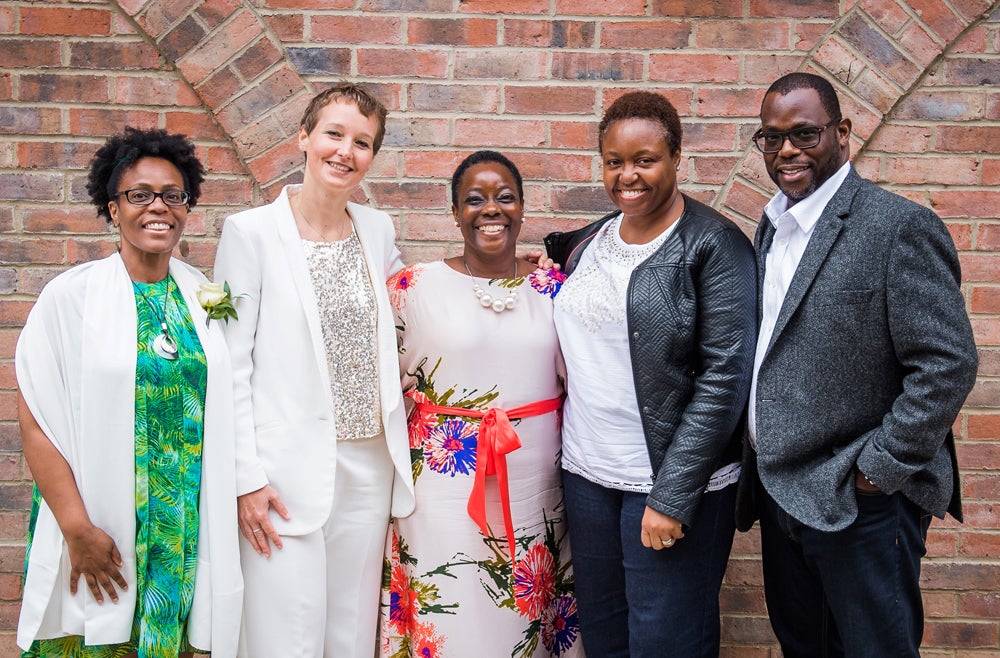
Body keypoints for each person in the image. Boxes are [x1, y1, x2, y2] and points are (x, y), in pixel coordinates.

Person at [735, 72, 979, 657]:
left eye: (804, 133)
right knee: (805, 649)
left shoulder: (897, 227)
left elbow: (947, 363)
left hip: (861, 502)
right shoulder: (772, 228)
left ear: (842, 132)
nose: (786, 150)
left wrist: (880, 469)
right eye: (771, 138)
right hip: (782, 496)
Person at [15, 127, 243, 657]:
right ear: (112, 209)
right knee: (89, 640)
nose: (157, 207)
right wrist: (76, 529)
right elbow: (37, 423)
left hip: (179, 526)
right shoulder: (70, 298)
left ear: (187, 208)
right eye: (139, 195)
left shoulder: (205, 298)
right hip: (99, 525)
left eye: (173, 195)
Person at [544, 91, 756, 656]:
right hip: (588, 473)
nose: (627, 175)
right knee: (606, 636)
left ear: (677, 157)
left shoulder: (714, 245)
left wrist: (673, 495)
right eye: (614, 161)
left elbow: (724, 380)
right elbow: (562, 276)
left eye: (645, 159)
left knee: (667, 641)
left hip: (664, 479)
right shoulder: (595, 239)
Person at [213, 82, 415, 657]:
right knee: (285, 636)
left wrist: (508, 271)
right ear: (304, 138)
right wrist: (245, 478)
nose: (345, 152)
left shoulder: (377, 231)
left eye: (363, 142)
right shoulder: (249, 233)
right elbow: (230, 364)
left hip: (368, 465)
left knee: (349, 635)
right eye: (334, 134)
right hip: (280, 476)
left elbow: (414, 307)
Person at [378, 150, 583, 657]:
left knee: (525, 611)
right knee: (450, 605)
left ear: (521, 208)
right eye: (475, 199)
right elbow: (382, 377)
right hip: (442, 491)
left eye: (505, 197)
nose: (491, 209)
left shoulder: (554, 288)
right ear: (454, 212)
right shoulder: (412, 288)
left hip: (536, 487)